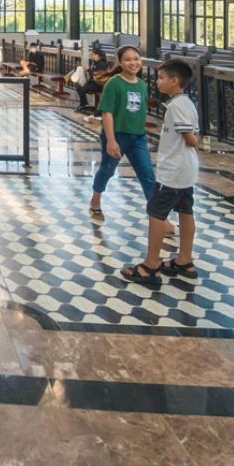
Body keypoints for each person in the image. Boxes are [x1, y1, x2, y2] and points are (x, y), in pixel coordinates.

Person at [122, 60, 200, 286]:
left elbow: (190, 139)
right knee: (186, 211)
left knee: (156, 214)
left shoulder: (178, 106)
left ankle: (150, 265)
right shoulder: (184, 104)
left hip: (174, 171)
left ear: (175, 81)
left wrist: (198, 142)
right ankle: (184, 260)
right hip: (184, 169)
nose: (158, 82)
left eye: (162, 78)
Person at [88, 45, 160, 220]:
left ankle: (159, 217)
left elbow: (140, 111)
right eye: (128, 59)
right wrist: (111, 140)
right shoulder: (114, 83)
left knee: (147, 175)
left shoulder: (142, 85)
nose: (133, 62)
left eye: (136, 59)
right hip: (117, 135)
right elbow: (107, 112)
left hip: (138, 137)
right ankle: (95, 200)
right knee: (107, 169)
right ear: (119, 62)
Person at [76, 46, 114, 112]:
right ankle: (84, 104)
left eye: (93, 55)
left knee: (82, 89)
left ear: (97, 55)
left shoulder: (102, 64)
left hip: (99, 84)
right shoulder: (95, 62)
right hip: (93, 82)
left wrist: (89, 70)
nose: (91, 56)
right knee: (79, 86)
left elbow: (100, 76)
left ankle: (84, 104)